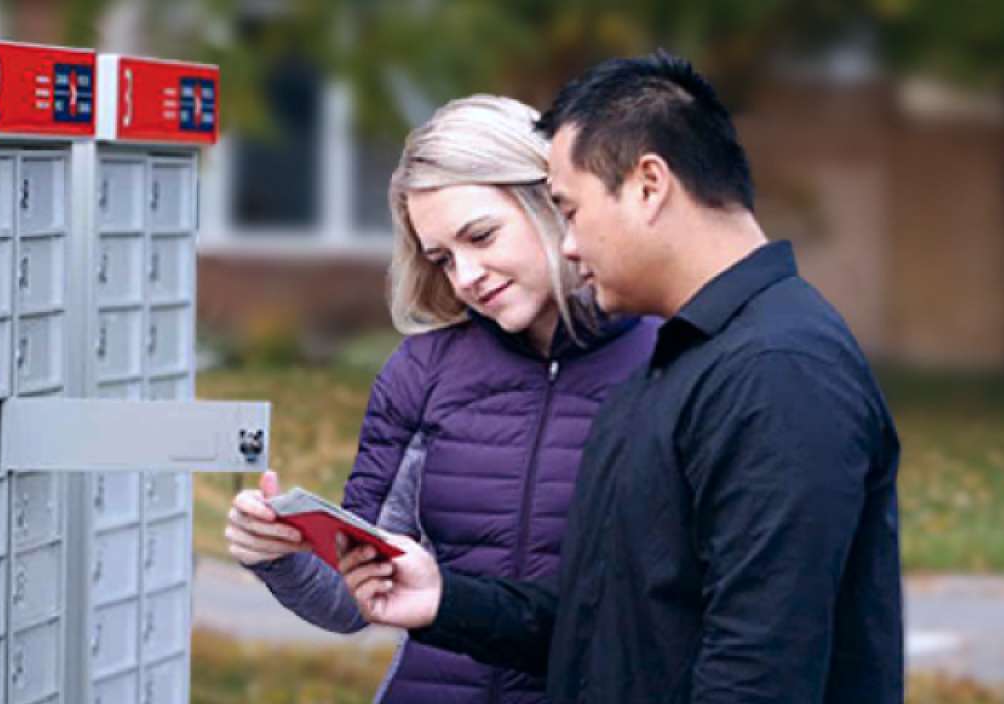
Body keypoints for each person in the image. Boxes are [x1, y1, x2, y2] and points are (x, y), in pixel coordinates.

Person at [340, 51, 904, 703]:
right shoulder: (677, 368)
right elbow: (606, 632)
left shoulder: (779, 370)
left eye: (570, 211)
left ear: (648, 186)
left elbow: (758, 668)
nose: (569, 245)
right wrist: (448, 600)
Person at [221, 95, 658, 703]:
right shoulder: (424, 373)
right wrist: (277, 555)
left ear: (552, 201)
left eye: (481, 236)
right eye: (442, 258)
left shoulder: (669, 363)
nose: (467, 275)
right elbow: (355, 600)